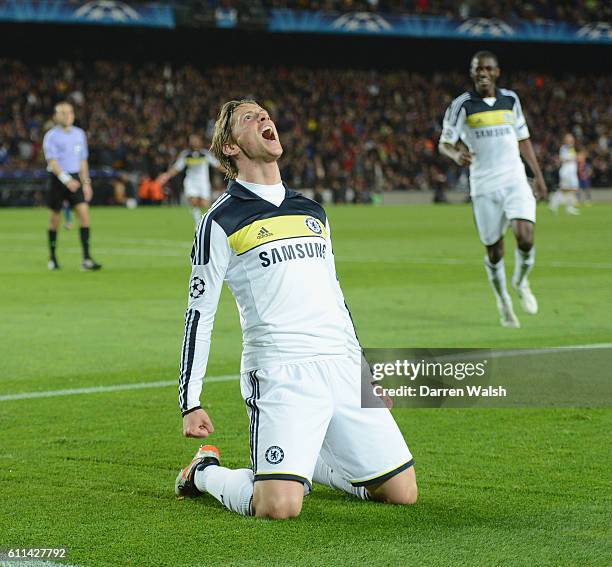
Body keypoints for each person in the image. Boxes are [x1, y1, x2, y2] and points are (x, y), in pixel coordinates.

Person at [174, 99, 417, 519]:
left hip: (339, 366)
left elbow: (335, 298)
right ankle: (204, 472)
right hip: (281, 370)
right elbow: (200, 313)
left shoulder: (312, 210)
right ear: (230, 147)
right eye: (250, 118)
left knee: (401, 492)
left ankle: (298, 463)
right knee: (279, 507)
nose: (265, 118)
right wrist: (190, 400)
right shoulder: (219, 220)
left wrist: (364, 375)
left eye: (265, 114)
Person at [439, 51, 547, 328]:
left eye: (488, 68)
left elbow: (523, 139)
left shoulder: (511, 100)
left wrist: (538, 175)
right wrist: (456, 155)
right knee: (494, 251)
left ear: (497, 72)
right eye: (478, 69)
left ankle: (521, 281)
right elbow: (445, 143)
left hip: (514, 179)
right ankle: (503, 301)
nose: (483, 73)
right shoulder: (462, 105)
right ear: (472, 72)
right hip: (484, 185)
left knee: (525, 237)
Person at [42, 101, 101, 271]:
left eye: (70, 112)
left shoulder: (79, 134)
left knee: (84, 216)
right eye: (63, 113)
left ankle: (87, 258)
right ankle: (53, 258)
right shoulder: (51, 136)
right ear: (56, 116)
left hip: (76, 177)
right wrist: (66, 179)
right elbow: (52, 161)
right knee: (55, 218)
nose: (67, 115)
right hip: (58, 178)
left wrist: (86, 183)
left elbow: (82, 160)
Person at [157, 134, 222, 226]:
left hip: (203, 182)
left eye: (196, 140)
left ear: (200, 142)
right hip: (191, 182)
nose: (194, 142)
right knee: (193, 201)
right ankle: (198, 223)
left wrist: (230, 171)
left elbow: (217, 165)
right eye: (192, 140)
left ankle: (204, 222)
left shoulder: (205, 154)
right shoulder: (186, 155)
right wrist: (167, 175)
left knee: (205, 205)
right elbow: (177, 168)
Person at [550, 133, 580, 215]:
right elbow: (563, 159)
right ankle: (553, 204)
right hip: (566, 172)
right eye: (569, 138)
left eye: (572, 138)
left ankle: (568, 207)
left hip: (572, 172)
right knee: (565, 190)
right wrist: (575, 158)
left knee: (571, 190)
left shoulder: (571, 148)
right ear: (566, 140)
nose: (571, 139)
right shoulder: (564, 148)